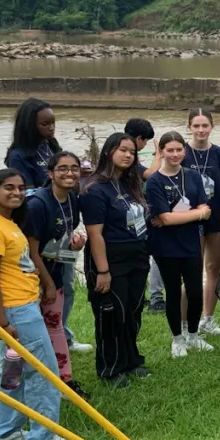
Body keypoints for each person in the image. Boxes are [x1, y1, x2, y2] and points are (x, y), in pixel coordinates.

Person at [0, 168, 72, 440]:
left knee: (12, 372)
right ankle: (43, 438)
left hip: (22, 307)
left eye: (20, 187)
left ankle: (5, 433)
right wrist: (2, 323)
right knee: (43, 373)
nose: (16, 192)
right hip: (16, 312)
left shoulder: (9, 223)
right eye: (8, 187)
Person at [80, 132, 150, 387]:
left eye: (132, 152)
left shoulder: (130, 184)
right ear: (109, 151)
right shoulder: (94, 189)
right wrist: (103, 271)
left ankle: (131, 361)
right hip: (110, 260)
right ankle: (110, 368)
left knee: (133, 311)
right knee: (112, 315)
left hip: (137, 257)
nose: (128, 155)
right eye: (123, 150)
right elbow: (95, 234)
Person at [23, 150, 87, 397]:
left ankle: (65, 383)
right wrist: (47, 285)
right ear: (50, 174)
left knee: (55, 325)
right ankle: (15, 384)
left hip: (55, 271)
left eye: (74, 168)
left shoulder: (72, 198)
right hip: (29, 279)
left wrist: (74, 246)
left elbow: (60, 240)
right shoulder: (38, 205)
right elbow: (31, 251)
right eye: (62, 168)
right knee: (24, 336)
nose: (69, 173)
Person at [145, 131, 213, 358]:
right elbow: (165, 218)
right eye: (170, 150)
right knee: (173, 292)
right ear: (161, 151)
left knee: (195, 291)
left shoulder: (192, 176)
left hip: (191, 242)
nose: (175, 154)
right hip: (166, 246)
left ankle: (193, 335)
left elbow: (206, 207)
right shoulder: (154, 181)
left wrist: (193, 214)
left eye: (179, 150)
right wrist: (197, 214)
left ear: (185, 151)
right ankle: (177, 339)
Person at [183, 108, 220, 336]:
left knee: (213, 268)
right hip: (189, 220)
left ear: (212, 127)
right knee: (190, 271)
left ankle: (208, 318)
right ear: (189, 127)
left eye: (205, 126)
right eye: (196, 126)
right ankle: (184, 324)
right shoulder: (180, 152)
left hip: (216, 220)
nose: (201, 130)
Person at [126, 118, 166, 317]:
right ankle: (152, 297)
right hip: (133, 217)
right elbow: (151, 174)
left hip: (133, 214)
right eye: (144, 141)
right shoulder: (128, 157)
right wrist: (159, 154)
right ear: (139, 139)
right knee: (149, 256)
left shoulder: (119, 152)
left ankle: (144, 296)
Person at [5, 98, 60, 192]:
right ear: (30, 126)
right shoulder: (18, 157)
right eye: (45, 124)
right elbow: (28, 195)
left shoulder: (51, 145)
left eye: (53, 123)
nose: (52, 128)